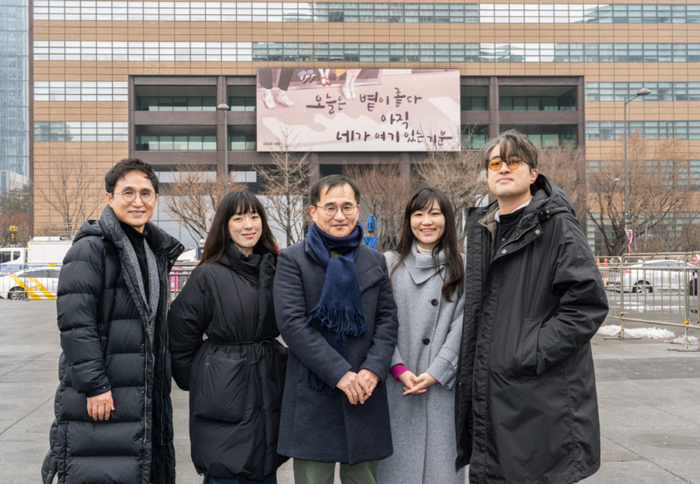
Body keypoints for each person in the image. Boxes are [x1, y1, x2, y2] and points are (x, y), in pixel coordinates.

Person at [455, 130, 609, 484]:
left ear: (533, 173)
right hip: (497, 395)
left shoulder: (555, 224)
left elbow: (587, 304)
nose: (503, 169)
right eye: (495, 163)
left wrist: (527, 351)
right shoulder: (487, 227)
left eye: (513, 162)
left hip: (540, 397)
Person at [41, 158, 184, 484]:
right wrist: (96, 386)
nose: (138, 201)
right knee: (101, 469)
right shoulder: (91, 249)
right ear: (109, 198)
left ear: (156, 199)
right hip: (104, 392)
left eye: (146, 193)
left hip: (143, 391)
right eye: (128, 193)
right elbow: (76, 324)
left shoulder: (152, 250)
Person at [273, 174, 399, 484]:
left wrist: (373, 369)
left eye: (347, 206)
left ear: (358, 209)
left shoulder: (374, 260)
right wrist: (339, 373)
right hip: (314, 393)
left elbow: (387, 320)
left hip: (364, 393)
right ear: (313, 212)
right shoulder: (292, 259)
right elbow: (293, 326)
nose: (339, 215)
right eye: (330, 207)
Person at [168, 190, 288, 484]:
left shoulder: (276, 268)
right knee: (226, 470)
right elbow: (181, 329)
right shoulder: (208, 274)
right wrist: (201, 376)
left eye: (254, 216)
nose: (248, 224)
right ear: (225, 224)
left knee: (263, 467)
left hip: (266, 382)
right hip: (223, 391)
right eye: (238, 218)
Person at [377, 187, 466, 484]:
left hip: (443, 388)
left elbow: (465, 325)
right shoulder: (388, 263)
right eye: (418, 214)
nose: (426, 221)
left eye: (435, 213)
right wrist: (398, 367)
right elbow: (378, 322)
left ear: (447, 220)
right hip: (395, 385)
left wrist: (438, 371)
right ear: (408, 220)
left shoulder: (463, 267)